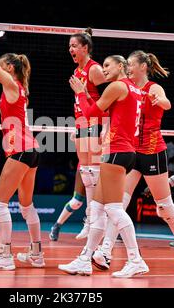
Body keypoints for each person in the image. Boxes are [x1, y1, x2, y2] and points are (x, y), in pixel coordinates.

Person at [92, 51, 174, 272]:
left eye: (131, 64)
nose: (128, 67)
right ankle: (105, 251)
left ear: (143, 66)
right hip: (131, 151)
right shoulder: (126, 87)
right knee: (117, 204)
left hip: (152, 152)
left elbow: (167, 103)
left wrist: (161, 101)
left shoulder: (152, 88)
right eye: (126, 64)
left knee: (164, 206)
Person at [59, 55, 149, 278]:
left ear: (121, 67)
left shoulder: (117, 86)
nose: (103, 69)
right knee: (98, 208)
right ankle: (84, 259)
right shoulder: (132, 88)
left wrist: (81, 93)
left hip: (117, 150)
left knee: (113, 209)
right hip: (123, 149)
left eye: (108, 65)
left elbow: (90, 114)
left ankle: (136, 259)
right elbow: (106, 114)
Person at [0, 15, 45, 271]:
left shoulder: (11, 83)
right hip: (31, 150)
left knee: (0, 202)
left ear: (10, 68)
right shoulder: (17, 86)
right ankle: (37, 254)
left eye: (2, 65)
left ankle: (5, 256)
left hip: (19, 149)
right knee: (26, 206)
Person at [68, 29, 107, 239]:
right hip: (82, 124)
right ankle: (90, 219)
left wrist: (106, 129)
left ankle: (96, 221)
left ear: (85, 48)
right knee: (85, 172)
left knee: (94, 173)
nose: (71, 49)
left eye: (74, 46)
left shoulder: (95, 70)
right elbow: (78, 102)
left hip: (96, 123)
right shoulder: (76, 72)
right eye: (69, 46)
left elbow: (109, 101)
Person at [49, 167, 86, 241]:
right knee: (76, 202)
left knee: (101, 203)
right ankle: (57, 226)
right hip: (85, 167)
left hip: (103, 169)